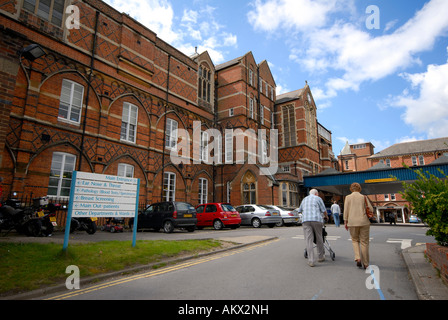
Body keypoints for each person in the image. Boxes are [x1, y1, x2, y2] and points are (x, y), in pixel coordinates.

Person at [344, 182, 374, 269]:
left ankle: (358, 258)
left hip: (352, 222)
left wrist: (346, 222)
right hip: (364, 221)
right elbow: (371, 209)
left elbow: (346, 211)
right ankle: (366, 263)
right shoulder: (363, 197)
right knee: (364, 242)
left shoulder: (348, 197)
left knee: (355, 240)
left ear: (351, 189)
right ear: (359, 189)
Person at [297, 189, 328, 267]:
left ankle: (311, 260)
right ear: (316, 194)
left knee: (308, 240)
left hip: (306, 220)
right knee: (319, 238)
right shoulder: (318, 198)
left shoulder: (304, 199)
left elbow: (300, 210)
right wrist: (326, 217)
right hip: (317, 219)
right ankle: (320, 257)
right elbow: (324, 210)